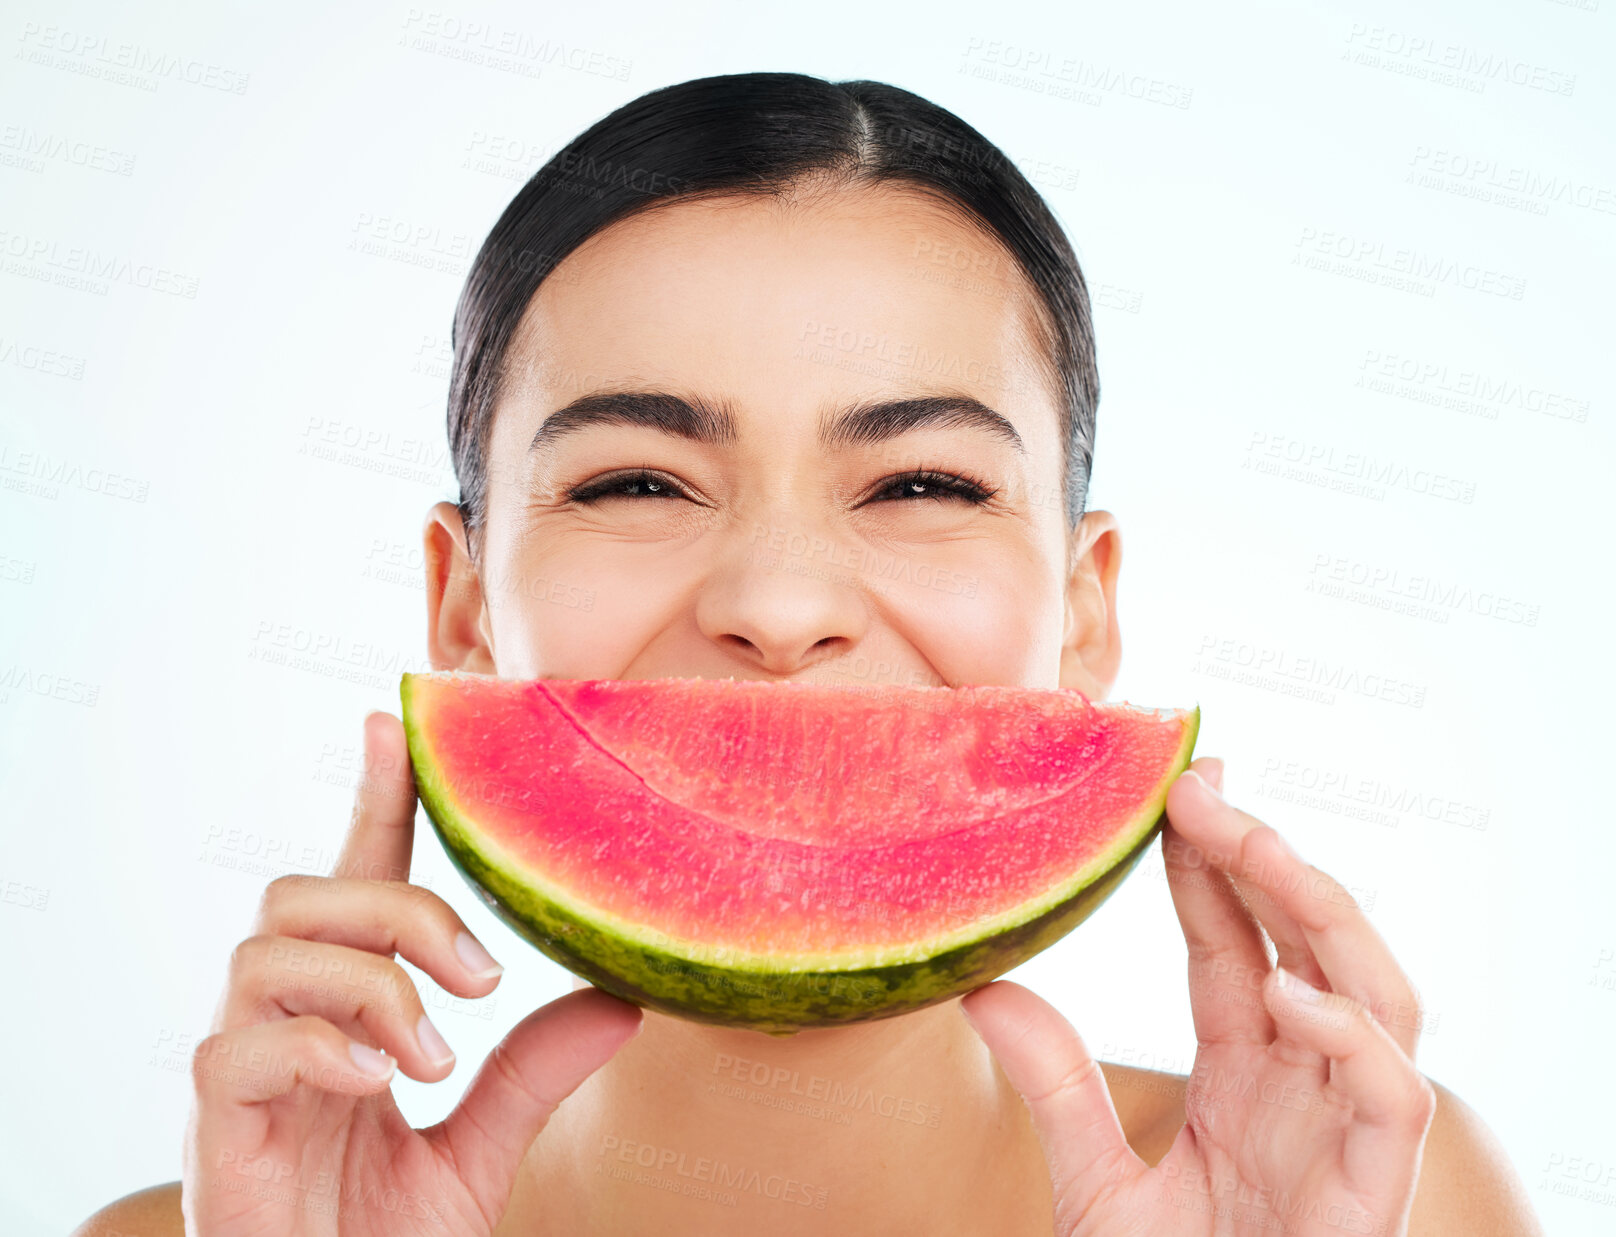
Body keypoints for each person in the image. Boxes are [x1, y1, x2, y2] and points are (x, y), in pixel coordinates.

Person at [77, 72, 1542, 1236]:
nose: (779, 606)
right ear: (459, 606)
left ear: (1086, 609)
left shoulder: (1380, 1200)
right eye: (636, 482)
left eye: (922, 487)